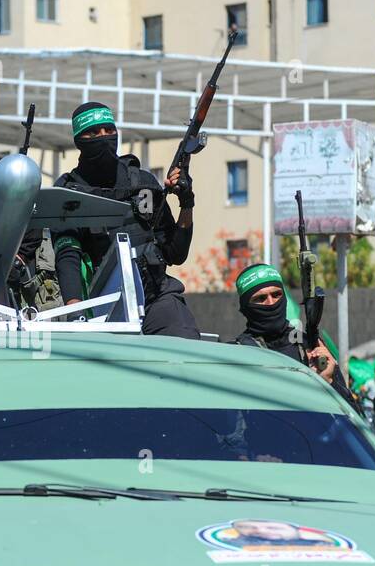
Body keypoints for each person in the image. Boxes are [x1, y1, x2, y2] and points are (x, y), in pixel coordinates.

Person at [51, 102, 199, 338]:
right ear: (79, 140)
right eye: (94, 133)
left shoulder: (142, 184)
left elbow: (175, 254)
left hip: (157, 295)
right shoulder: (69, 194)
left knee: (184, 344)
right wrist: (75, 312)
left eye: (109, 131)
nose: (104, 137)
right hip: (108, 304)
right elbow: (68, 255)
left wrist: (186, 202)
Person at [229, 264, 352, 402]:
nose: (271, 303)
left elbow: (353, 413)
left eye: (276, 295)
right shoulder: (237, 354)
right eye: (261, 298)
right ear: (246, 306)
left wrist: (328, 382)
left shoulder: (309, 345)